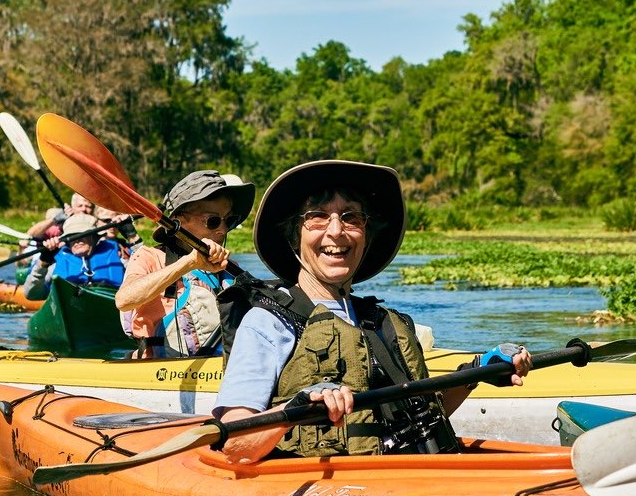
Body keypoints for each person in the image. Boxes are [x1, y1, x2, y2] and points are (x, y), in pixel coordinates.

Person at [214, 159, 530, 460]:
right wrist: (298, 406)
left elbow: (417, 419)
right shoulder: (268, 323)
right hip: (335, 495)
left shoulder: (383, 322)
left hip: (410, 482)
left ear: (366, 236)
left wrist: (476, 371)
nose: (336, 231)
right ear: (294, 236)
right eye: (318, 216)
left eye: (351, 217)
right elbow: (236, 444)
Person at [116, 170, 255, 356]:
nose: (222, 229)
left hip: (220, 371)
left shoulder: (230, 269)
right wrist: (188, 263)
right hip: (159, 371)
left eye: (229, 220)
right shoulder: (149, 257)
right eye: (212, 221)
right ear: (179, 221)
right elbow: (124, 300)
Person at [22, 213, 127, 300]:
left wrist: (131, 235)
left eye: (82, 235)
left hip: (110, 305)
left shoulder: (117, 254)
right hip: (70, 304)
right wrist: (43, 262)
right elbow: (31, 295)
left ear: (95, 237)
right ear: (66, 241)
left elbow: (141, 276)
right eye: (71, 237)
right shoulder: (56, 260)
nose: (77, 241)